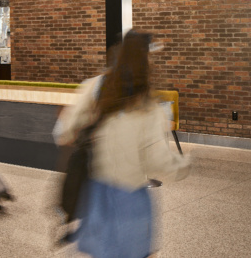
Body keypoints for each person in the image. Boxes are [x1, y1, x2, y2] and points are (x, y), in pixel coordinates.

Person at [55, 32, 189, 258]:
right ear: (146, 61)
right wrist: (183, 165)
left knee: (104, 251)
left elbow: (64, 129)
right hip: (131, 196)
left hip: (97, 193)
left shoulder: (97, 86)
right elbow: (157, 159)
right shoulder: (148, 106)